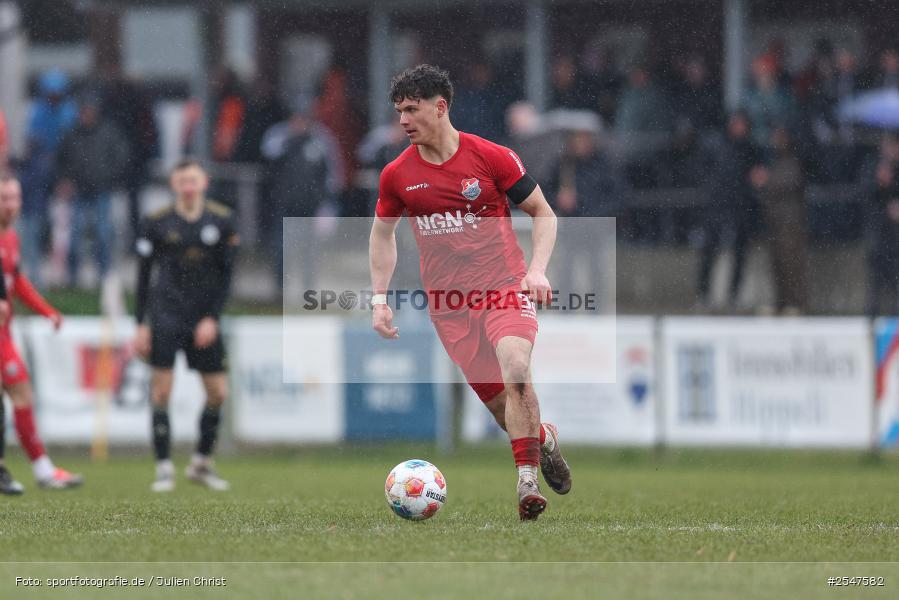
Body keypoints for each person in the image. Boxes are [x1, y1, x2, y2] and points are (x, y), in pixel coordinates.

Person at [369, 65, 571, 520]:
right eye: (399, 111)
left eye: (411, 110)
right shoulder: (397, 175)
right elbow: (381, 235)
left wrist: (537, 271)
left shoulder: (491, 156)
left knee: (517, 366)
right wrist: (379, 300)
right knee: (505, 413)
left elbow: (544, 213)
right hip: (449, 308)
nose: (402, 120)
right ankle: (545, 439)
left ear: (440, 108)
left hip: (503, 286)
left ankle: (526, 483)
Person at [133, 159, 239, 493]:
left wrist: (212, 317)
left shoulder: (222, 221)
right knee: (161, 390)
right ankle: (164, 467)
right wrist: (140, 323)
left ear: (204, 182)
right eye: (182, 181)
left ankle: (201, 462)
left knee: (218, 393)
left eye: (193, 180)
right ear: (174, 185)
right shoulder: (156, 222)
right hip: (166, 314)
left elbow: (227, 276)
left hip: (203, 317)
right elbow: (142, 276)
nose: (188, 187)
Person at [0, 174, 84, 492]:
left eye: (15, 198)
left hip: (4, 334)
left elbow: (16, 281)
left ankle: (42, 469)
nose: (11, 205)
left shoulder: (11, 237)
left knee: (21, 394)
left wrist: (47, 310)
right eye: (4, 199)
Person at [56, 96, 130, 287]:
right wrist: (65, 181)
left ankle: (104, 277)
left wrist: (109, 178)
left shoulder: (108, 133)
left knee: (103, 235)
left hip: (101, 190)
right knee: (74, 237)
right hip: (78, 191)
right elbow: (60, 161)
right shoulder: (71, 134)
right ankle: (72, 279)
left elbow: (121, 157)